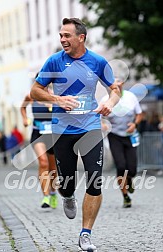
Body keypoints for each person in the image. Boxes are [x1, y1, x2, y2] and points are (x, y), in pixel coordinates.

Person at [30, 17, 121, 251]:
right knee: (66, 184)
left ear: (81, 37)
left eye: (67, 35)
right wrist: (57, 99)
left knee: (94, 180)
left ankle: (85, 234)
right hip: (62, 131)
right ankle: (68, 196)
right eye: (60, 35)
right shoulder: (54, 62)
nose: (62, 39)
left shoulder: (98, 62)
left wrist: (110, 102)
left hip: (90, 127)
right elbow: (35, 91)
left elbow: (115, 89)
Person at [104, 83, 143, 208]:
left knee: (132, 169)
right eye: (114, 85)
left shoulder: (131, 97)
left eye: (119, 85)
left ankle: (130, 178)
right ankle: (125, 196)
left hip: (129, 135)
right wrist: (103, 123)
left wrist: (134, 124)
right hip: (114, 135)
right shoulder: (105, 100)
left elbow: (139, 114)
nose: (117, 88)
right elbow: (98, 116)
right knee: (120, 166)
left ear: (122, 86)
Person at [20, 82, 58, 209]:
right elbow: (23, 107)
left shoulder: (55, 96)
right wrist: (25, 119)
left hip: (53, 135)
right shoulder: (31, 96)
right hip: (38, 134)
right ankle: (45, 196)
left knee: (53, 169)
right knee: (43, 162)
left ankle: (53, 192)